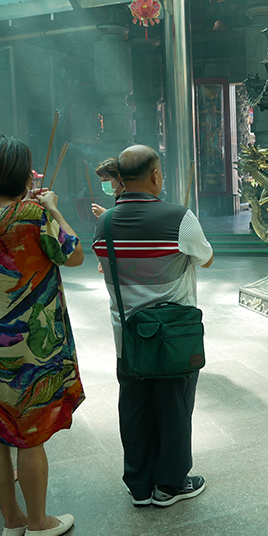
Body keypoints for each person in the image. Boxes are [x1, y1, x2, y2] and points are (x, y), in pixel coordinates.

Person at [0, 134, 85, 536]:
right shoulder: (33, 214)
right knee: (30, 436)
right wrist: (53, 208)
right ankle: (37, 522)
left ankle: (10, 521)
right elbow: (74, 253)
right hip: (34, 346)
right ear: (19, 174)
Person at [92, 145, 213, 508]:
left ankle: (140, 486)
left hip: (127, 337)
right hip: (173, 336)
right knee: (174, 407)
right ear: (156, 175)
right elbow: (205, 259)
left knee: (134, 408)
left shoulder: (106, 221)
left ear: (120, 178)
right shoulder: (181, 217)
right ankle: (170, 485)